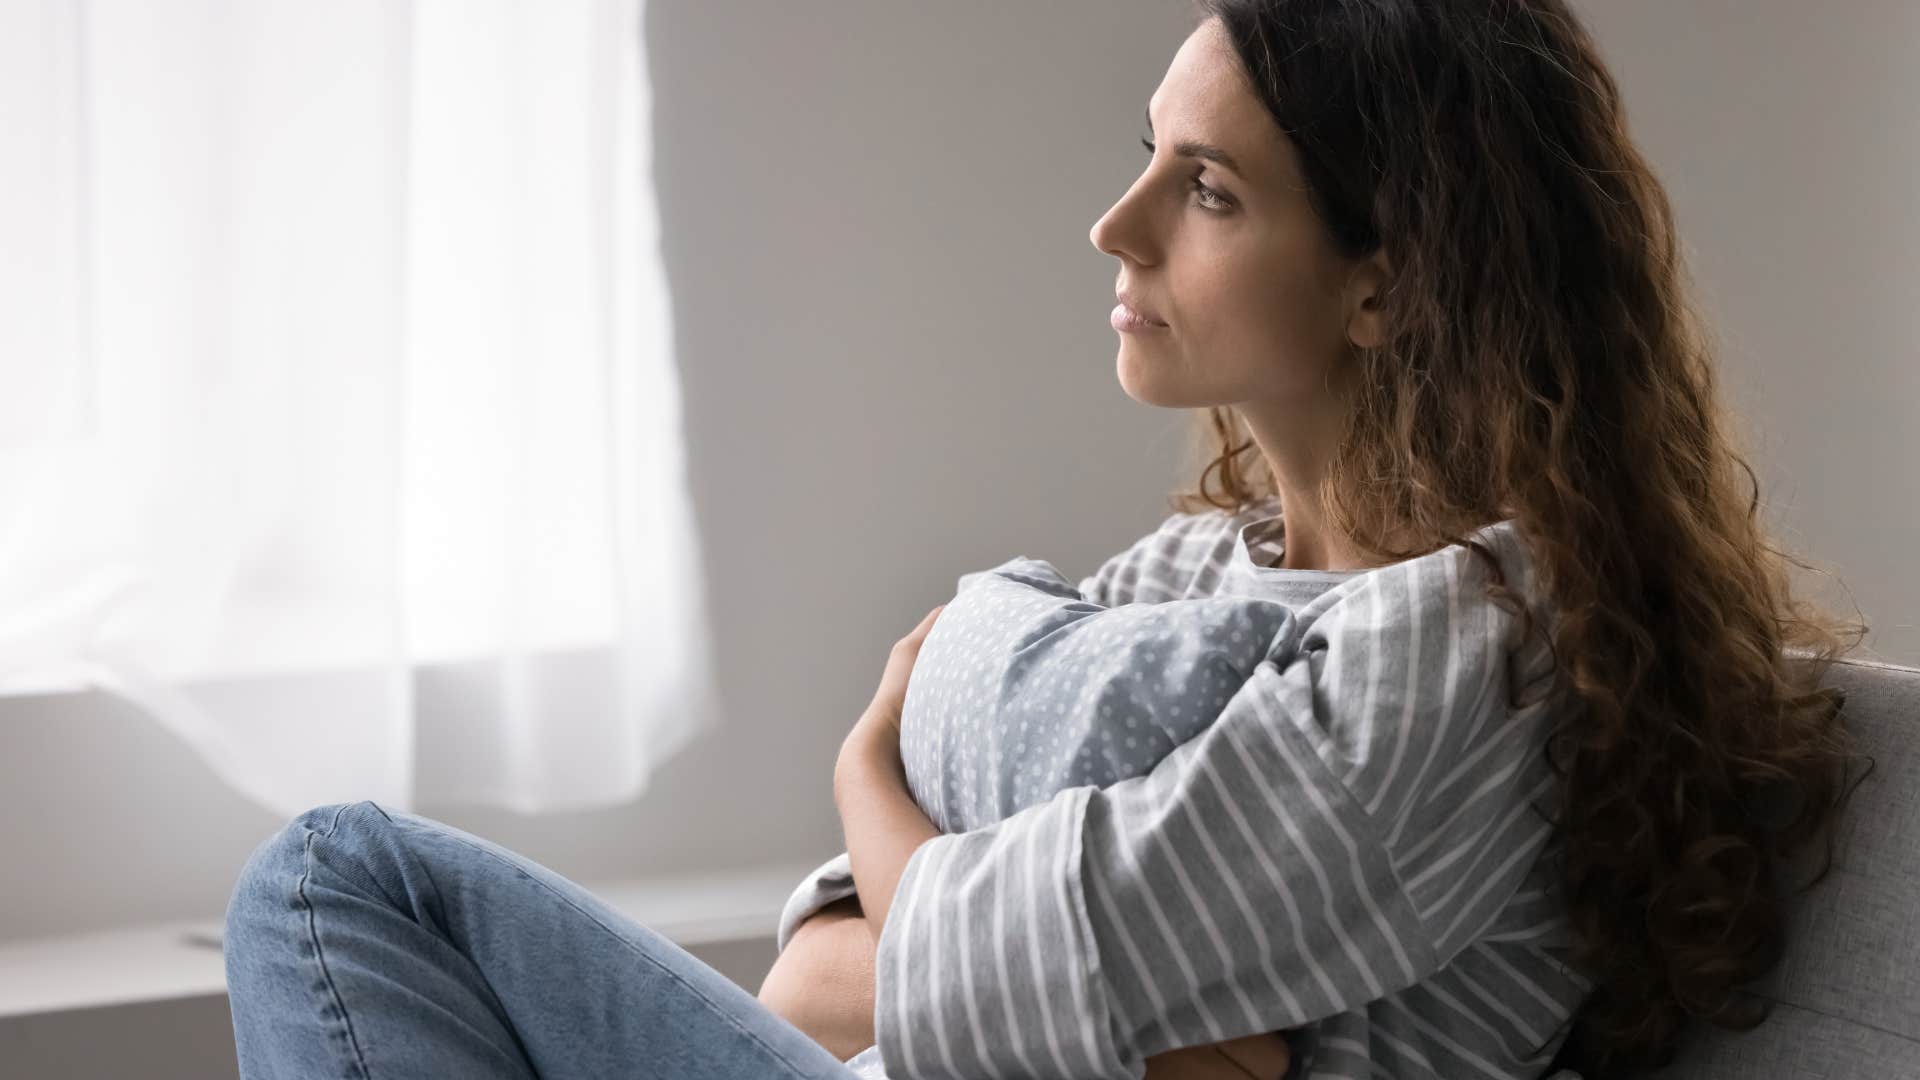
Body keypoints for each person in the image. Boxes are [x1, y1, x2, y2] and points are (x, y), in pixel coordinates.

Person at [223, 1, 1866, 1078]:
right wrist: (1104, 1022)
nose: (1118, 223)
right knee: (351, 897)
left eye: (1208, 189)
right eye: (1147, 156)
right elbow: (817, 966)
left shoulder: (1464, 656)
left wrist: (874, 772)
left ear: (1392, 281)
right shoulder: (1191, 577)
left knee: (335, 881)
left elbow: (970, 954)